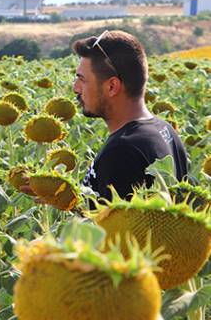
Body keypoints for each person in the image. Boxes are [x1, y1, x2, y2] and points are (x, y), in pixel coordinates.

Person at [71, 30, 188, 207]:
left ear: (112, 86)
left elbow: (111, 231)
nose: (76, 88)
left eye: (82, 79)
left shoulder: (121, 152)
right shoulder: (165, 130)